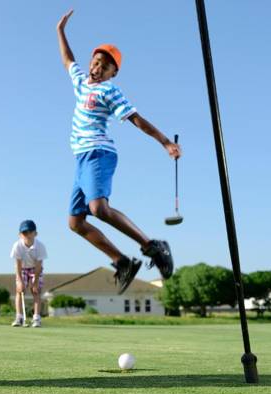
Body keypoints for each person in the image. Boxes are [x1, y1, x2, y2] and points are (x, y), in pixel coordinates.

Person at [56, 10, 182, 294]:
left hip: (99, 153)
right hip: (81, 160)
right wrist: (60, 30)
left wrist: (165, 142)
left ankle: (152, 246)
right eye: (96, 61)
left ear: (114, 73)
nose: (98, 68)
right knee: (75, 223)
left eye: (105, 66)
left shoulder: (110, 91)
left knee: (98, 208)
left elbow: (137, 119)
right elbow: (67, 59)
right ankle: (122, 262)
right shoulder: (80, 82)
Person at [10, 220, 47, 328]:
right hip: (22, 269)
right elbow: (17, 265)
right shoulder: (17, 245)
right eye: (24, 233)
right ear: (20, 234)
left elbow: (39, 265)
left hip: (36, 269)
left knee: (36, 292)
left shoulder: (40, 246)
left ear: (35, 233)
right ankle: (19, 317)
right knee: (19, 291)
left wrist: (35, 282)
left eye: (30, 232)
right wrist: (20, 281)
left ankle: (36, 318)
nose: (27, 235)